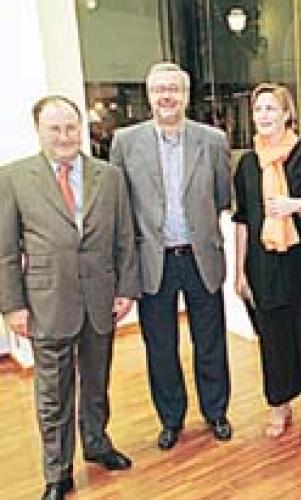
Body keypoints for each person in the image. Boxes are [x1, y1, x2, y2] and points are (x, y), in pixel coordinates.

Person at [0, 96, 139, 500]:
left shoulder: (109, 177)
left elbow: (124, 237)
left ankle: (97, 443)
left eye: (70, 127)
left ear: (81, 128)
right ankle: (57, 472)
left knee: (96, 384)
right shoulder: (13, 178)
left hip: (100, 301)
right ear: (39, 131)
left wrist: (126, 289)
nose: (64, 136)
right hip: (47, 303)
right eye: (54, 128)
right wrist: (12, 306)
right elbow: (5, 251)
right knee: (53, 394)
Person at [109, 62, 233, 450]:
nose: (166, 96)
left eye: (174, 89)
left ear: (186, 95)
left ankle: (216, 412)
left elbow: (221, 197)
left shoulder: (212, 140)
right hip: (152, 260)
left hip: (200, 257)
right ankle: (171, 419)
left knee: (210, 341)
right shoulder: (125, 142)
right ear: (149, 96)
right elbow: (120, 205)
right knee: (160, 347)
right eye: (159, 89)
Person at [233, 83, 301, 445]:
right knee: (274, 340)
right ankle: (279, 405)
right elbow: (243, 219)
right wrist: (239, 271)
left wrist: (298, 206)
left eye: (271, 108)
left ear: (287, 114)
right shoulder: (247, 164)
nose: (264, 115)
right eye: (258, 109)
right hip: (264, 265)